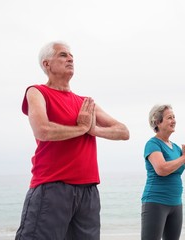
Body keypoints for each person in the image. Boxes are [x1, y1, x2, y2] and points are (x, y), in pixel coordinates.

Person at [15, 41, 130, 240]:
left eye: (71, 56)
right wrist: (80, 129)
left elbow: (123, 131)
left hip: (88, 191)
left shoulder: (85, 103)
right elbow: (42, 130)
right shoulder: (37, 92)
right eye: (62, 55)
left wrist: (92, 130)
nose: (70, 58)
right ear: (47, 64)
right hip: (52, 187)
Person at [141, 104, 185, 240]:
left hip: (176, 204)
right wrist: (184, 157)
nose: (174, 120)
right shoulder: (152, 144)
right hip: (155, 202)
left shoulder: (176, 148)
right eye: (169, 118)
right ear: (157, 122)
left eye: (174, 117)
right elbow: (161, 169)